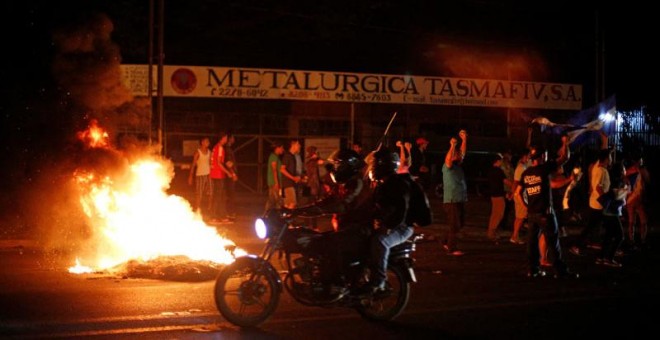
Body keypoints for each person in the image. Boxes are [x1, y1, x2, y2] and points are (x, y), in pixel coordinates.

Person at [520, 135, 578, 279]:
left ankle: (532, 270)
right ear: (541, 156)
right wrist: (565, 143)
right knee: (553, 242)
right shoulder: (544, 169)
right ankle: (560, 271)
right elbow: (564, 158)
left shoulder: (526, 173)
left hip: (532, 213)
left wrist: (526, 205)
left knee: (531, 243)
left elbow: (518, 192)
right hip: (545, 213)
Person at [364, 148, 416, 293]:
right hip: (387, 223)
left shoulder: (397, 184)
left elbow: (401, 210)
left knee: (380, 241)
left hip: (402, 227)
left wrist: (388, 226)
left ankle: (379, 281)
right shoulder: (381, 185)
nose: (372, 167)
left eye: (375, 164)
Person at [597, 162, 628, 267]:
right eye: (624, 169)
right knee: (620, 236)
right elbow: (617, 198)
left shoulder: (614, 181)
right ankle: (609, 258)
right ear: (621, 171)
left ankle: (601, 257)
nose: (625, 171)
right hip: (612, 214)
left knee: (608, 236)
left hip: (607, 212)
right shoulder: (619, 183)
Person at [441, 130, 468, 256]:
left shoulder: (457, 166)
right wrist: (452, 146)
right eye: (456, 154)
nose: (459, 155)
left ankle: (446, 241)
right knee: (454, 225)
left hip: (459, 199)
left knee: (459, 223)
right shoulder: (448, 166)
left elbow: (462, 154)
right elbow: (448, 159)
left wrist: (464, 140)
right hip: (452, 200)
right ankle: (451, 248)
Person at [625, 154, 650, 248]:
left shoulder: (630, 171)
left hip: (632, 200)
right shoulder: (636, 171)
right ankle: (639, 240)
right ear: (636, 161)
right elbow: (648, 181)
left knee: (633, 221)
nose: (642, 162)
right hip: (635, 200)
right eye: (641, 160)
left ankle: (633, 240)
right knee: (640, 221)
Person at [210, 132, 235, 224]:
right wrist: (228, 172)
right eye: (225, 138)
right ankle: (215, 216)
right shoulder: (220, 148)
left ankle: (220, 216)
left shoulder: (216, 147)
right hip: (218, 174)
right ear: (222, 138)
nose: (226, 139)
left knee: (219, 196)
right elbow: (219, 162)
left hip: (215, 174)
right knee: (218, 196)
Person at [486, 153, 512, 243]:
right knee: (498, 215)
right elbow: (505, 181)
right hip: (498, 195)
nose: (502, 162)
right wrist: (515, 186)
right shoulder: (498, 171)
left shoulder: (490, 170)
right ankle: (491, 233)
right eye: (500, 160)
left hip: (493, 195)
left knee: (495, 214)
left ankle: (492, 232)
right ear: (497, 161)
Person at [187, 136, 212, 218]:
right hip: (200, 175)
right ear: (202, 142)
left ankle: (209, 210)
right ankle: (196, 210)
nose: (208, 143)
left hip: (208, 175)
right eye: (206, 141)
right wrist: (190, 176)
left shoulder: (209, 152)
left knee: (211, 193)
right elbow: (193, 164)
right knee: (199, 194)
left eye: (208, 141)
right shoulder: (197, 152)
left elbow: (210, 163)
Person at [280, 139, 303, 209]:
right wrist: (293, 178)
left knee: (288, 205)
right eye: (298, 144)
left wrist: (298, 177)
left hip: (290, 183)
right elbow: (282, 169)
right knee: (292, 204)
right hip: (288, 184)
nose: (300, 146)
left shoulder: (292, 156)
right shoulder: (288, 156)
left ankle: (284, 219)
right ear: (293, 145)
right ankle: (288, 219)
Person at [264, 142, 284, 213]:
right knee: (277, 200)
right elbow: (274, 170)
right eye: (281, 148)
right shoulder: (273, 157)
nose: (282, 150)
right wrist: (276, 182)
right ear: (277, 148)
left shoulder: (275, 157)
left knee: (272, 199)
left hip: (274, 182)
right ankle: (273, 215)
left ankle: (267, 214)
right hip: (273, 182)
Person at [224, 134, 239, 220]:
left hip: (229, 174)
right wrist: (233, 173)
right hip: (229, 175)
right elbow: (228, 163)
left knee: (230, 194)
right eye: (233, 137)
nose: (234, 139)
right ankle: (230, 213)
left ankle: (229, 212)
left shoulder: (228, 149)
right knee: (231, 195)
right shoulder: (227, 149)